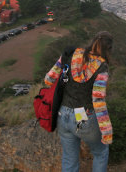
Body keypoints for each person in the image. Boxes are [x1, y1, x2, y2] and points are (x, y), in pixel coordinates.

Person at [44, 31, 113, 172]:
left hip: (63, 114)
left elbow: (48, 79)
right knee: (101, 152)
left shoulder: (72, 54)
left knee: (69, 158)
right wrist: (106, 131)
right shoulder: (102, 67)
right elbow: (98, 100)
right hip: (83, 116)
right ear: (109, 49)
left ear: (92, 41)